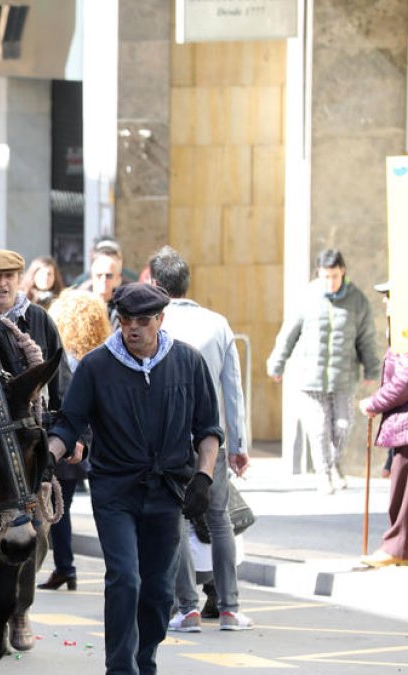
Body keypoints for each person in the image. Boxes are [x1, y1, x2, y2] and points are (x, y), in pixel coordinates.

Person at [47, 282, 222, 675]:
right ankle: (120, 669)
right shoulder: (96, 366)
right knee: (125, 578)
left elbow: (209, 429)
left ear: (161, 319)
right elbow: (69, 424)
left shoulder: (188, 363)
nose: (133, 328)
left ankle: (145, 661)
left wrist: (204, 478)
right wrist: (47, 458)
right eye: (126, 320)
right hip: (115, 492)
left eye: (143, 320)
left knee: (159, 593)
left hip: (168, 492)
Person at [146, 246, 253, 633]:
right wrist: (239, 444)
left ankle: (187, 608)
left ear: (155, 283)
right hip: (211, 438)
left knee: (174, 519)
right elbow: (233, 390)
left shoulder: (151, 323)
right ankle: (229, 608)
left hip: (166, 440)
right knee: (218, 519)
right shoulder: (218, 324)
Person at [0, 248, 65, 652]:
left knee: (36, 536)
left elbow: (60, 385)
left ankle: (20, 611)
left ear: (21, 279)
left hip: (29, 455)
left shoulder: (39, 322)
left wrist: (68, 437)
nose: (3, 283)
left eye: (10, 276)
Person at [267, 248, 380, 494]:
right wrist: (278, 363)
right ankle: (324, 474)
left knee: (342, 426)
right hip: (311, 376)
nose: (330, 282)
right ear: (319, 273)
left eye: (335, 276)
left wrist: (372, 368)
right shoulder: (307, 297)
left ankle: (333, 463)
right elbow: (289, 333)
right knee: (318, 428)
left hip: (344, 377)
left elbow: (367, 338)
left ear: (343, 272)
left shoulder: (357, 300)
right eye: (326, 276)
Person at [36, 289, 111, 593]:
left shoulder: (67, 359)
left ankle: (65, 567)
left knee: (59, 507)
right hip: (103, 442)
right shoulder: (106, 355)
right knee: (106, 509)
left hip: (74, 439)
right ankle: (100, 567)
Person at [359, 282, 408, 568]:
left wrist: (374, 402)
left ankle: (399, 546)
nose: (385, 304)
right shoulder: (402, 332)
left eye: (389, 297)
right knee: (402, 487)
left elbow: (405, 381)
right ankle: (402, 546)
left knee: (406, 490)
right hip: (404, 422)